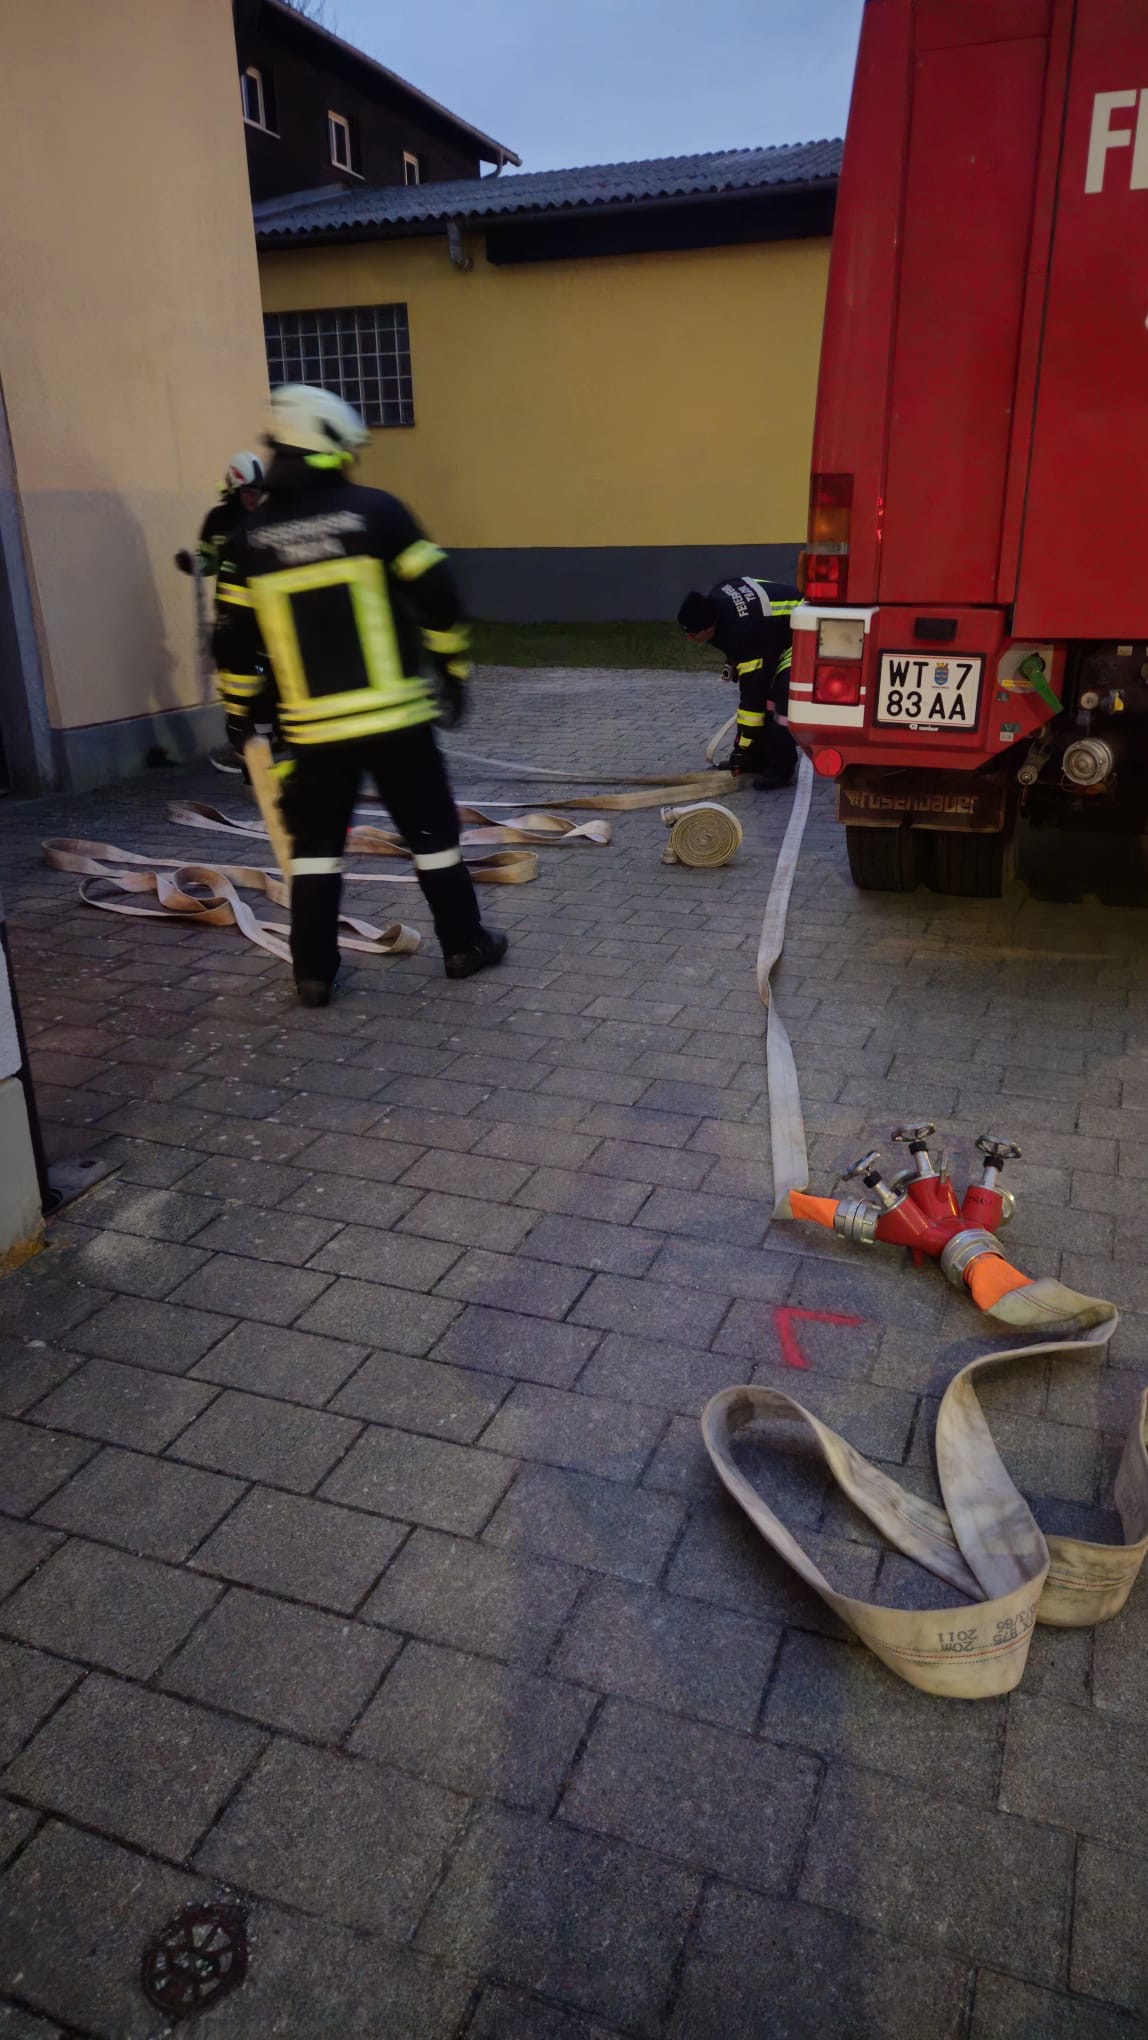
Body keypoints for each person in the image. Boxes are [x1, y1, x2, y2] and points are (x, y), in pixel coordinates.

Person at [212, 383, 506, 1007]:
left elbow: (233, 644)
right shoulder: (377, 512)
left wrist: (241, 719)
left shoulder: (247, 542)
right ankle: (463, 944)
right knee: (431, 836)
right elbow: (439, 595)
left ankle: (313, 972)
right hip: (396, 718)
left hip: (312, 731)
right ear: (329, 445)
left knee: (315, 851)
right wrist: (452, 670)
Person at [677, 577, 801, 789]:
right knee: (763, 694)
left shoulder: (742, 631)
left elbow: (752, 701)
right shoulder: (716, 598)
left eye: (693, 633)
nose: (689, 638)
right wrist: (734, 661)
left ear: (709, 627)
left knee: (778, 701)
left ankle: (781, 770)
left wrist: (741, 750)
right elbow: (738, 642)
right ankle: (758, 760)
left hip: (803, 634)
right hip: (774, 633)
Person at [175, 453, 266, 581]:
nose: (255, 498)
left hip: (264, 591)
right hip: (231, 591)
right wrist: (192, 564)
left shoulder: (267, 517)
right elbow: (209, 561)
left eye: (259, 492)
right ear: (235, 490)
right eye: (248, 492)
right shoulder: (217, 518)